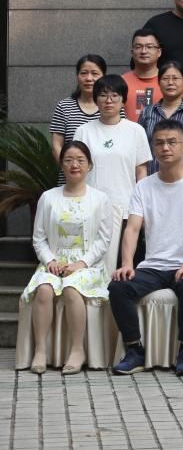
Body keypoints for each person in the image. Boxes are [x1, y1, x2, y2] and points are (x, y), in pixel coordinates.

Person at [110, 120, 183, 376]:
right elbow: (132, 229)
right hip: (153, 265)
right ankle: (135, 350)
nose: (165, 148)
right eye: (159, 143)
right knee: (118, 287)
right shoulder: (143, 186)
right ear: (153, 148)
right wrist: (127, 264)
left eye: (171, 142)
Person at [23, 142, 114, 375]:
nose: (75, 165)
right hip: (53, 264)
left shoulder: (100, 199)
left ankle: (77, 350)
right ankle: (40, 350)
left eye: (80, 160)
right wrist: (50, 261)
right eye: (69, 160)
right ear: (61, 165)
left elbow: (104, 240)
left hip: (88, 266)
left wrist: (81, 264)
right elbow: (39, 238)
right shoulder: (48, 197)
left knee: (72, 288)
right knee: (44, 289)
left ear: (89, 165)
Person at [73, 75, 152, 222]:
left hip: (126, 208)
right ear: (96, 100)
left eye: (114, 95)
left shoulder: (136, 130)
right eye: (103, 95)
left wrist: (141, 207)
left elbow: (141, 172)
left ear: (123, 100)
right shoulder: (83, 131)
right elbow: (76, 170)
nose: (108, 100)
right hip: (89, 207)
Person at [50, 54, 105, 171]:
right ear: (77, 76)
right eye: (84, 73)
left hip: (102, 175)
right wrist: (69, 169)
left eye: (95, 73)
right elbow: (56, 145)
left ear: (103, 76)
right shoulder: (64, 107)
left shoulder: (111, 106)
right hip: (71, 174)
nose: (89, 78)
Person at [139, 61, 183, 170]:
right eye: (165, 78)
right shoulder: (147, 112)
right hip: (152, 175)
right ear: (158, 83)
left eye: (175, 78)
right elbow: (139, 147)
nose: (170, 82)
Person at [122, 28, 163, 122]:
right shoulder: (121, 82)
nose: (144, 51)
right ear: (132, 52)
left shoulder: (169, 82)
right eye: (138, 47)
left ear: (159, 52)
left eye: (149, 47)